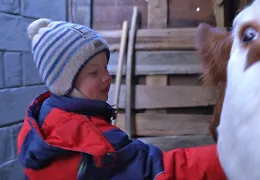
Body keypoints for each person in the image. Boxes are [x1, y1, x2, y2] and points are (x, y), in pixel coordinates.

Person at [17, 18, 227, 180]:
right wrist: (227, 159)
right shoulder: (93, 141)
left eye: (105, 67)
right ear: (64, 84)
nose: (107, 77)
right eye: (93, 72)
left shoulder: (44, 122)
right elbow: (157, 171)